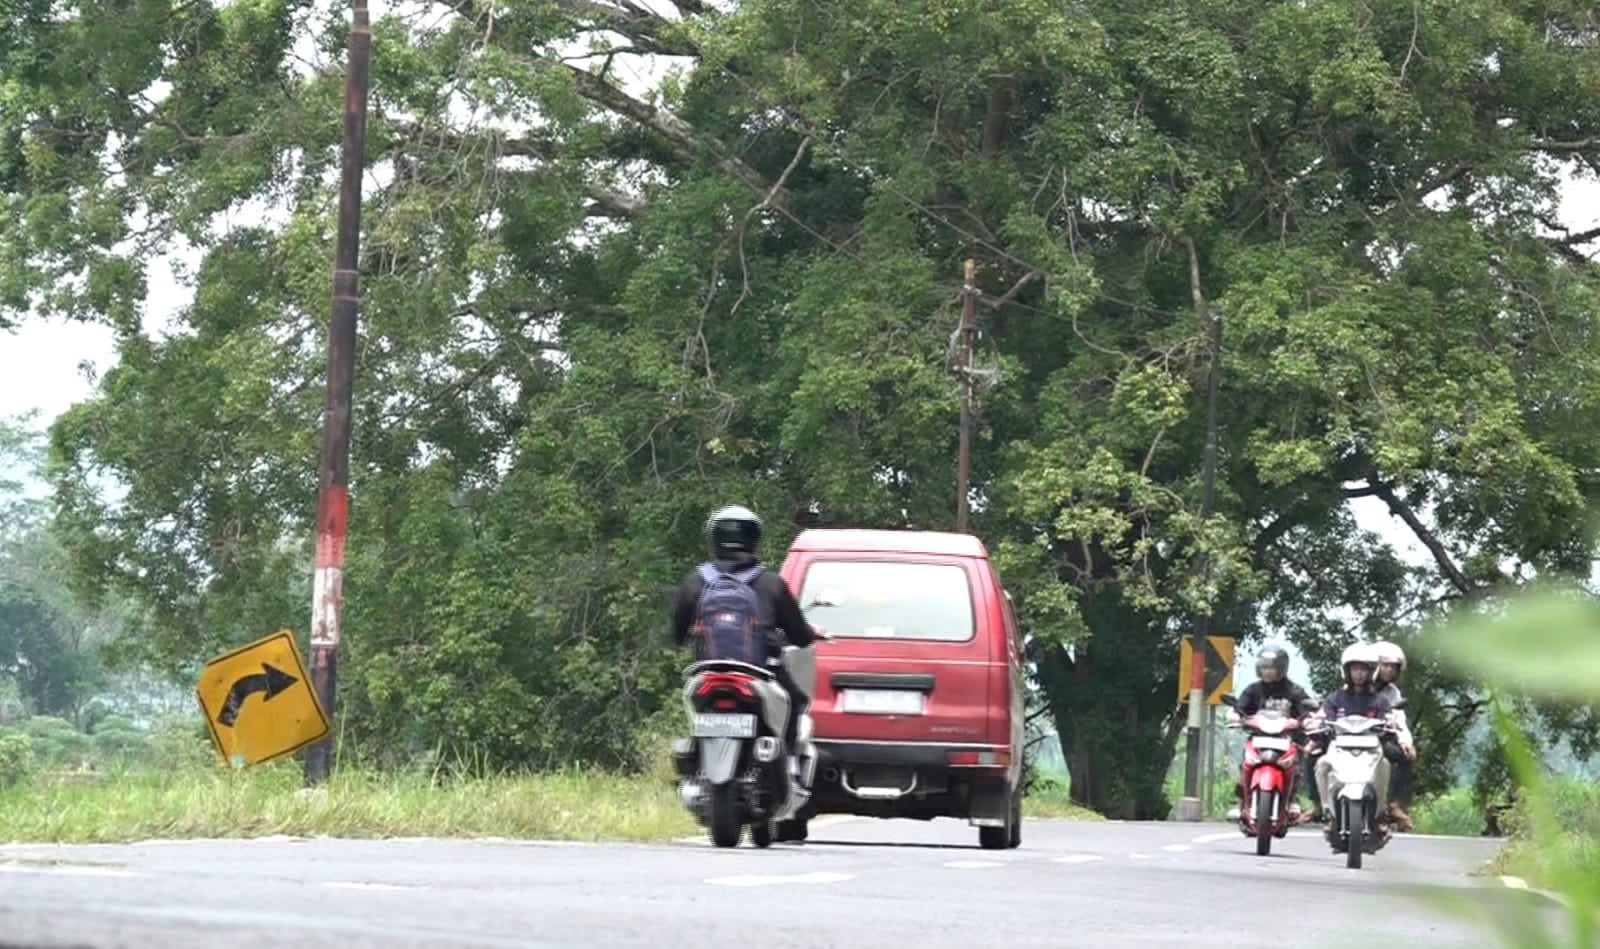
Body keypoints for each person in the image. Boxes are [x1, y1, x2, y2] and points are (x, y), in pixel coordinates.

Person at [671, 504, 827, 776]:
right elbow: (799, 635)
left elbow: (677, 633)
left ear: (714, 538)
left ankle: (696, 760)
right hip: (760, 670)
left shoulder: (695, 581)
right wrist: (805, 635)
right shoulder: (770, 583)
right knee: (796, 700)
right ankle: (789, 763)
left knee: (695, 709)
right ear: (754, 538)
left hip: (707, 669)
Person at [1310, 643, 1411, 840]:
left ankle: (1381, 813)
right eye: (1355, 669)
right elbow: (1324, 718)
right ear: (1347, 671)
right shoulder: (1335, 698)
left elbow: (1389, 719)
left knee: (1385, 766)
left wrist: (1393, 729)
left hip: (1370, 748)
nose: (1359, 674)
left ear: (1371, 672)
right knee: (1322, 764)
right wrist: (1317, 727)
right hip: (1339, 746)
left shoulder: (1380, 701)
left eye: (1364, 669)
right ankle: (1327, 812)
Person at [1226, 645, 1317, 822]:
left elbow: (1305, 710)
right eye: (1264, 667)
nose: (1267, 672)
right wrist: (1235, 715)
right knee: (1245, 761)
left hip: (1285, 739)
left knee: (1294, 763)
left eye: (1272, 667)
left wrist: (1307, 721)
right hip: (1259, 738)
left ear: (1281, 668)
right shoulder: (1253, 690)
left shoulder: (1294, 691)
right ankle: (1242, 801)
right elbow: (1241, 708)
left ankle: (1292, 798)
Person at [1372, 639, 1417, 830]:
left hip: (1379, 738)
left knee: (1405, 757)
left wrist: (1407, 742)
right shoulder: (1355, 683)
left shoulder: (1393, 693)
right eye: (1385, 665)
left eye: (1393, 667)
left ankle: (1395, 804)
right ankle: (1320, 805)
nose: (1389, 670)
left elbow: (1400, 720)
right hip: (1351, 736)